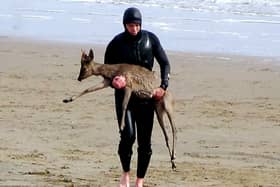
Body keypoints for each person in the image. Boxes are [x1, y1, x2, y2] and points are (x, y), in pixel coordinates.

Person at [104, 7, 170, 187]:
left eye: (137, 25)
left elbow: (165, 64)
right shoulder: (116, 43)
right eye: (131, 25)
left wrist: (163, 86)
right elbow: (106, 71)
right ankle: (125, 173)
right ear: (125, 25)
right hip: (125, 98)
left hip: (147, 98)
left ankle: (139, 181)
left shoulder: (151, 40)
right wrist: (113, 82)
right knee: (128, 136)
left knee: (145, 142)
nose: (134, 29)